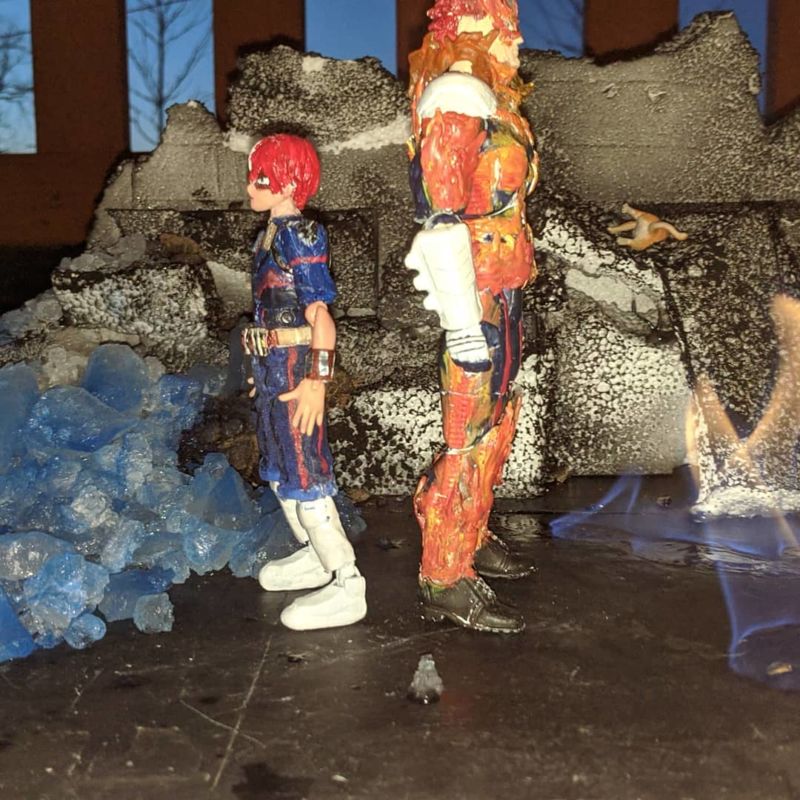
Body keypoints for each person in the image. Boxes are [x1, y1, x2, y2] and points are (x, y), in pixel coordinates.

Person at [405, 0, 539, 633]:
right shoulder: (455, 98)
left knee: (497, 418)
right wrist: (461, 325)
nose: (515, 40)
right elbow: (439, 224)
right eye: (503, 26)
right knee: (468, 432)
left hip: (503, 286)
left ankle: (472, 534)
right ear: (467, 28)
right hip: (474, 294)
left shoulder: (491, 99)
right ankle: (444, 573)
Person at [242, 133, 366, 631]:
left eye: (261, 178)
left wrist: (317, 380)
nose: (251, 186)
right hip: (272, 368)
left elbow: (320, 316)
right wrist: (260, 372)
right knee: (278, 470)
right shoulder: (269, 235)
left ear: (290, 182)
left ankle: (347, 581)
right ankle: (315, 554)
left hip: (295, 367)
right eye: (253, 176)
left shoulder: (302, 235)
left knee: (304, 470)